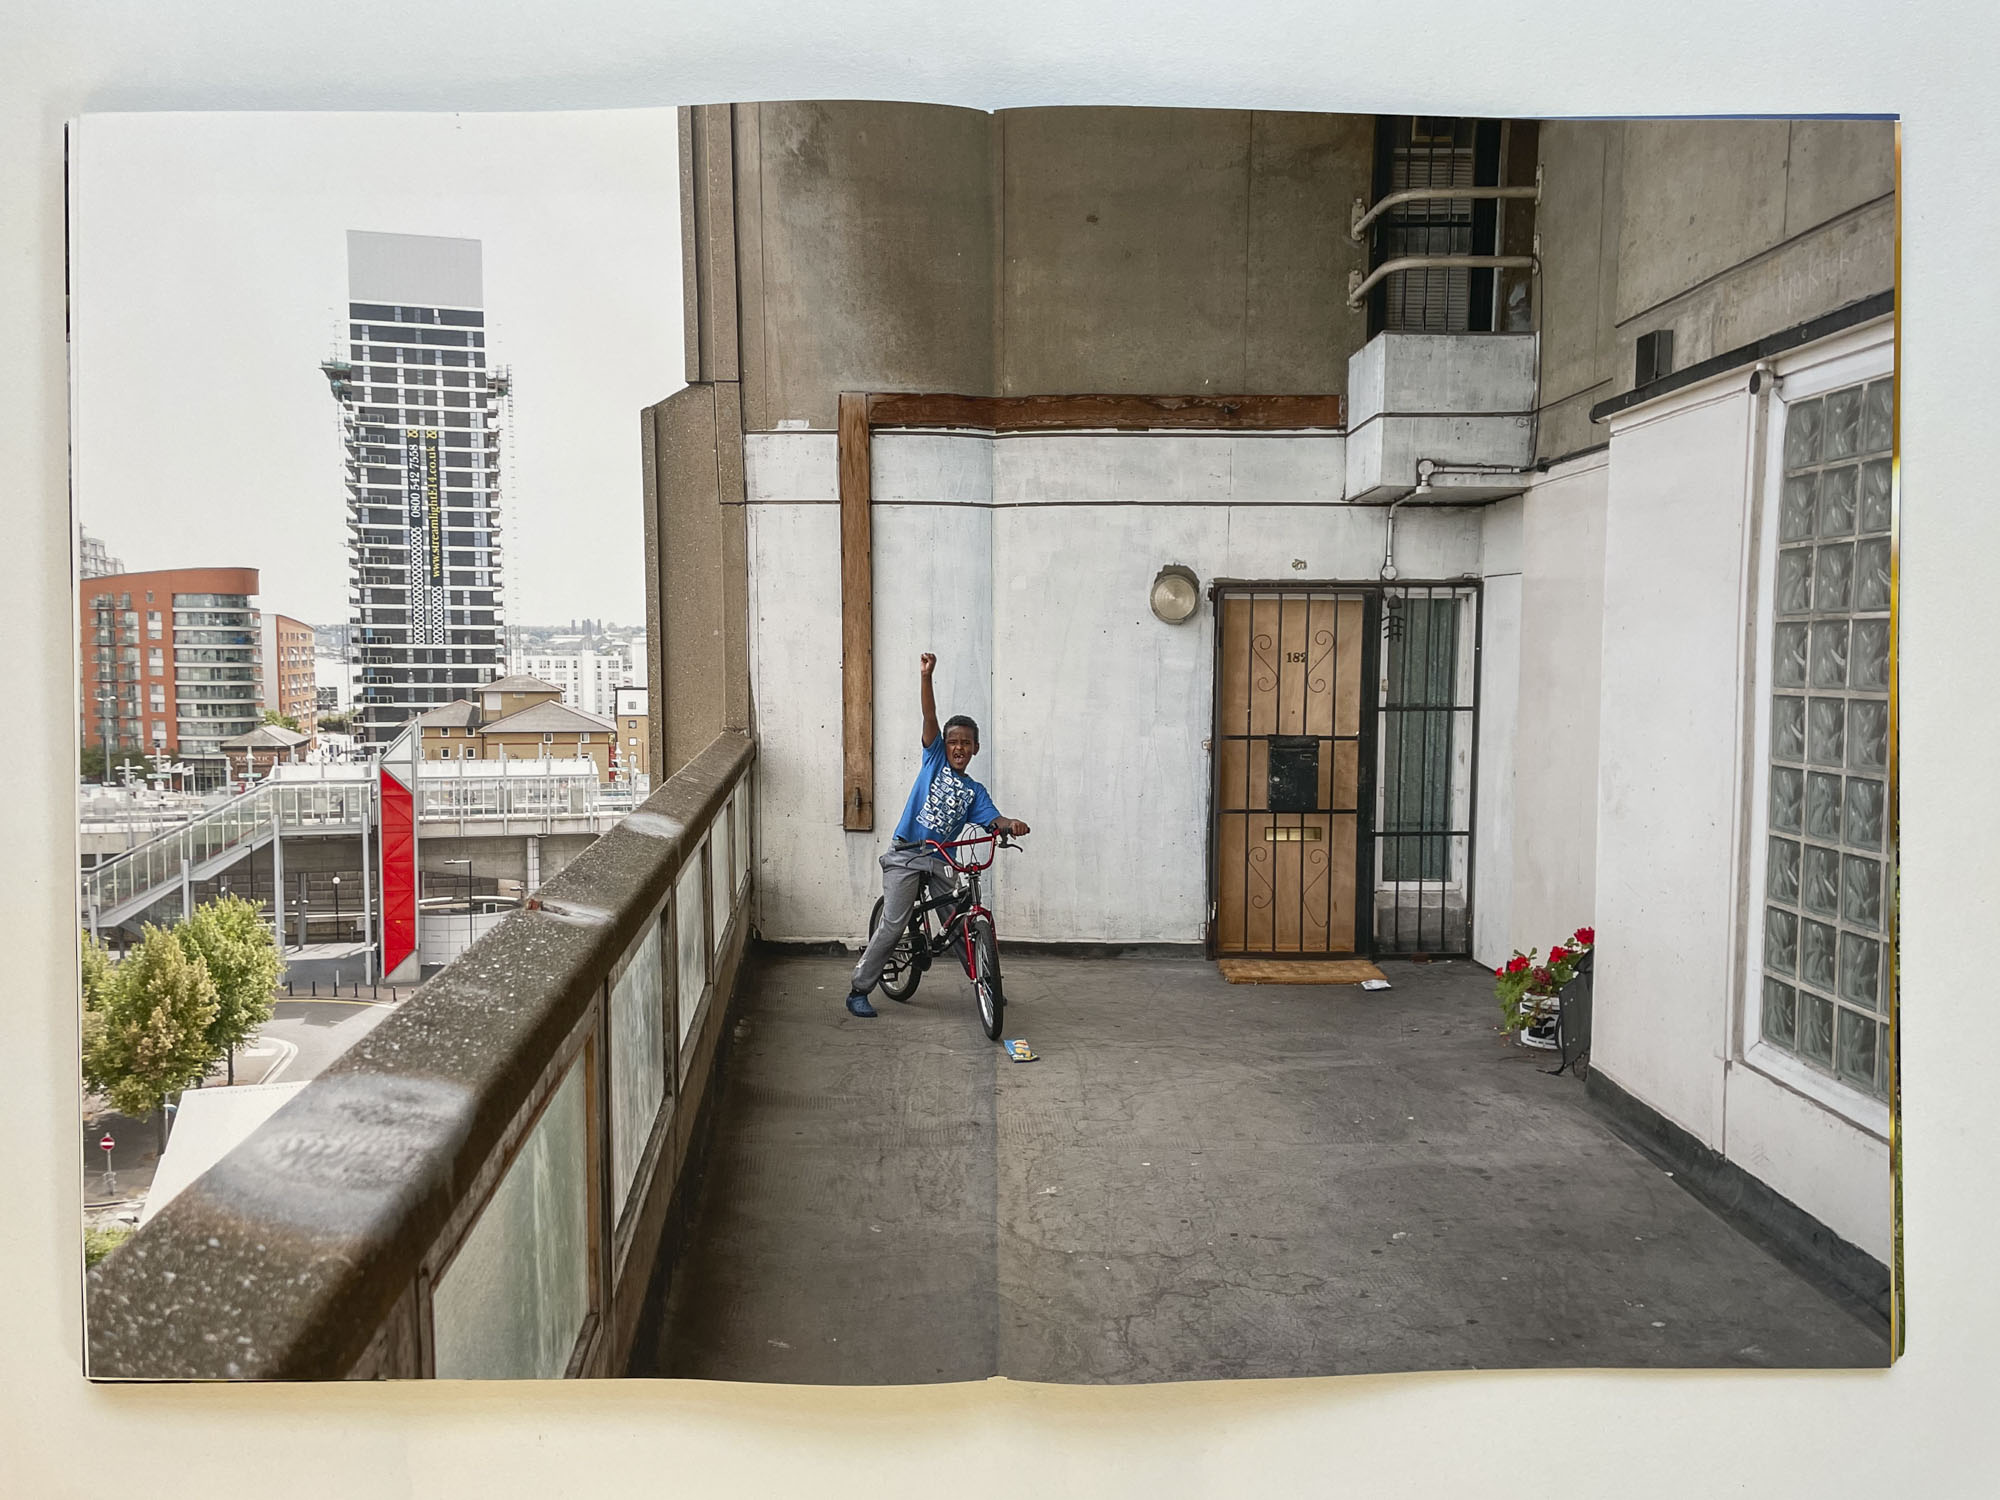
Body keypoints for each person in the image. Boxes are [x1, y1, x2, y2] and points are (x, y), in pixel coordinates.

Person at [844, 652, 1029, 1017]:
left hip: (942, 858)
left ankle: (985, 983)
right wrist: (926, 677)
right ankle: (859, 989)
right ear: (943, 746)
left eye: (966, 743)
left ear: (975, 748)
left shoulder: (975, 791)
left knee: (960, 921)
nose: (959, 748)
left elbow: (995, 819)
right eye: (953, 742)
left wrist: (1010, 825)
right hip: (907, 853)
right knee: (894, 923)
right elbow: (930, 717)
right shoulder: (934, 761)